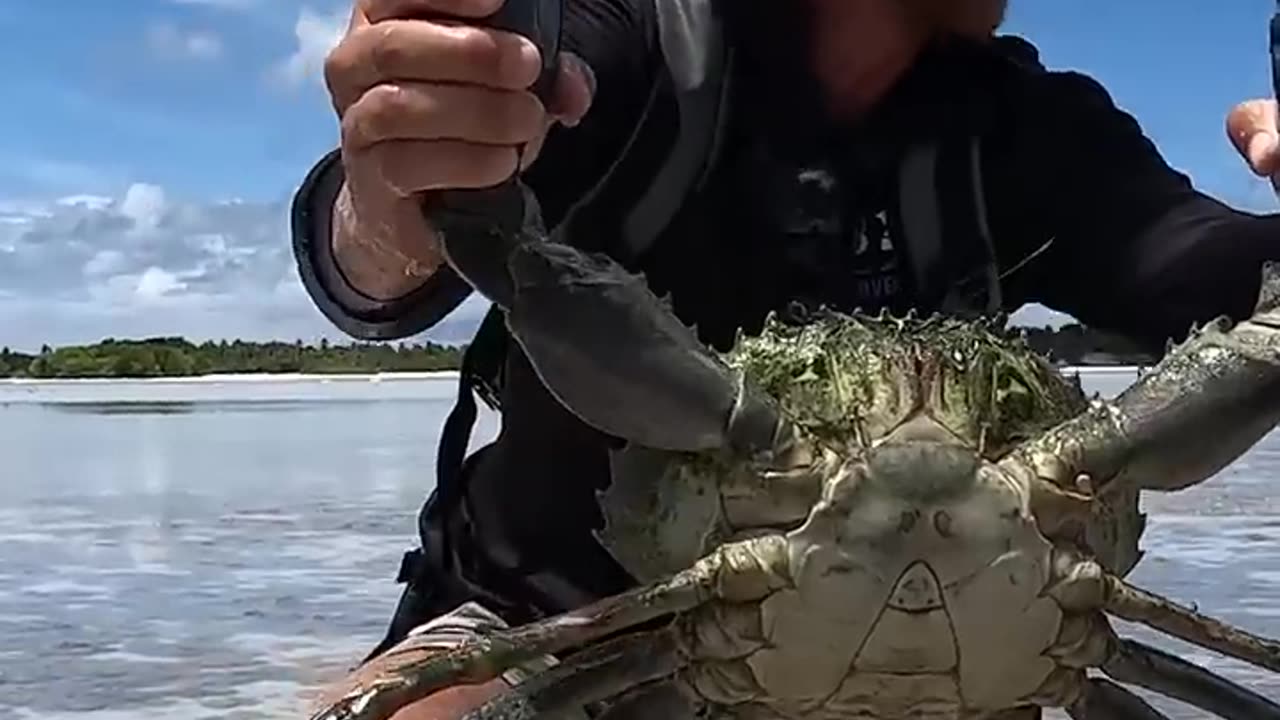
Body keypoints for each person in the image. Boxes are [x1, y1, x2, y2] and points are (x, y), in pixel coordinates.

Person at [292, 0, 1280, 716]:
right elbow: (385, 252)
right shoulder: (623, 46)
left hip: (979, 663)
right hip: (559, 629)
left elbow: (1210, 273)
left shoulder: (1029, 129)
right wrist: (397, 182)